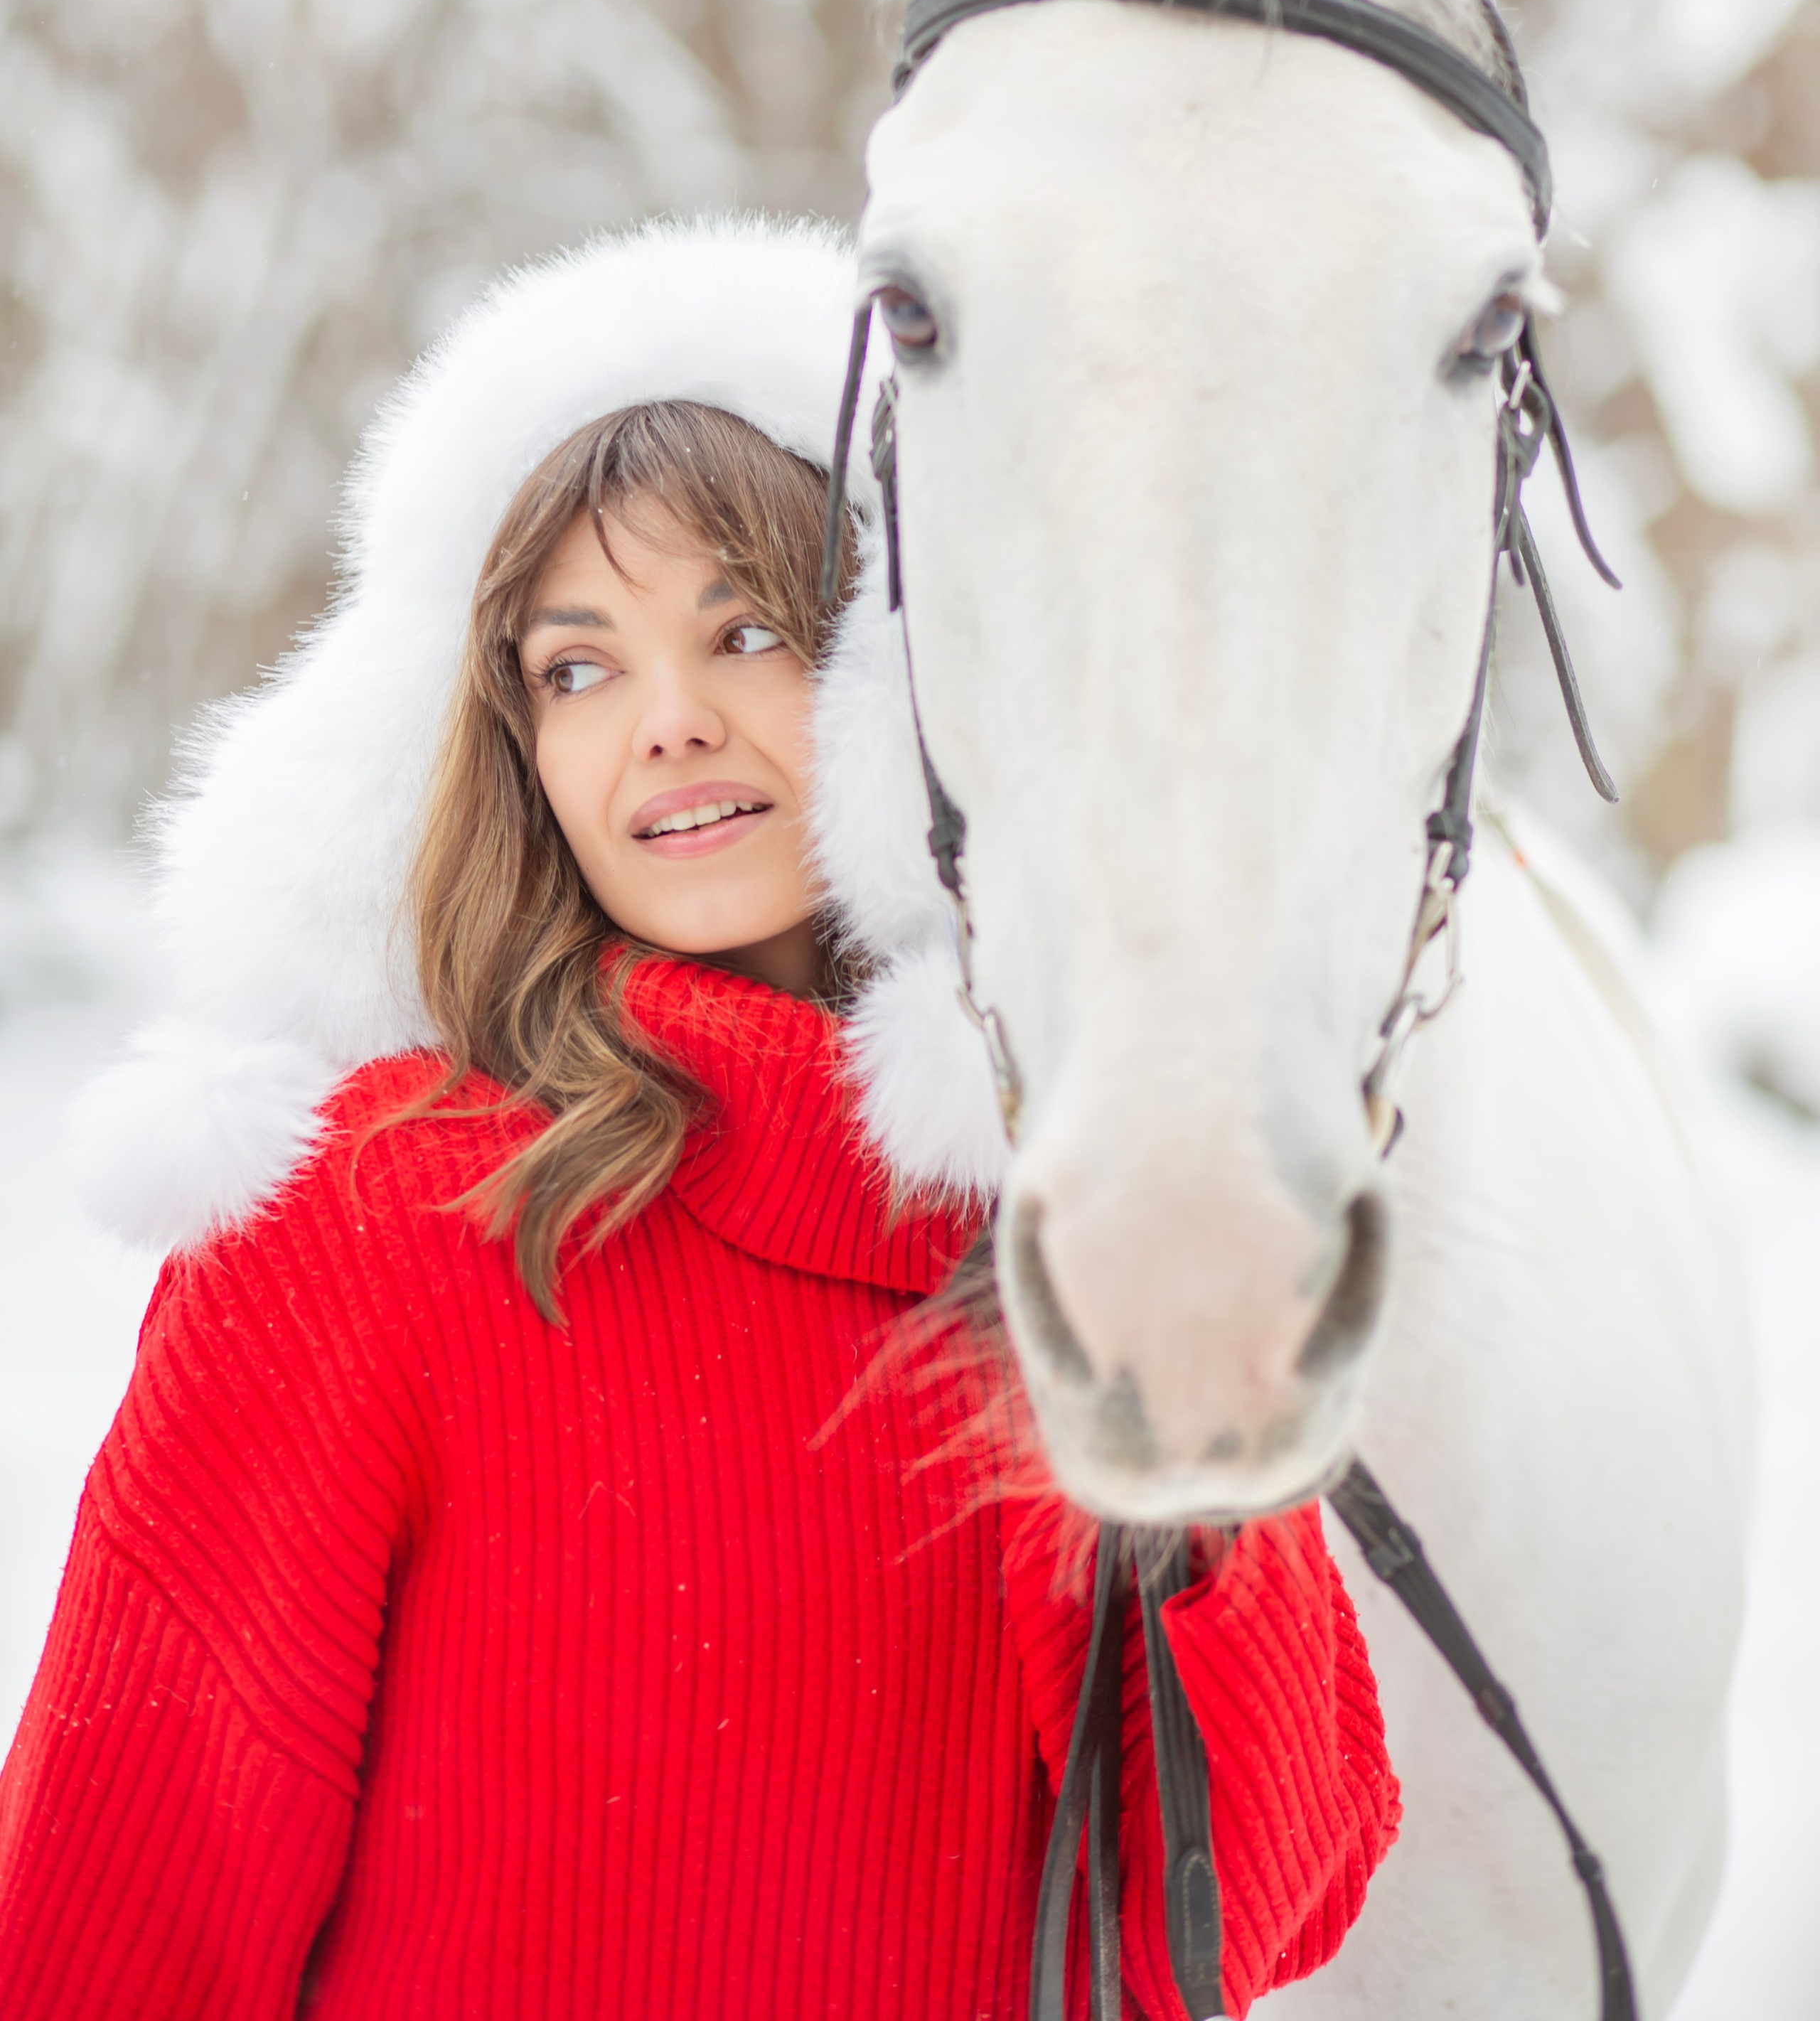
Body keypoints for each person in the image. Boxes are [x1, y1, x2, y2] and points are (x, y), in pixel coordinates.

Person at [0, 218, 1398, 2019]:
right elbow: (109, 1935)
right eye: (574, 666)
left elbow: (1251, 1903)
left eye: (744, 630)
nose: (664, 723)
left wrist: (1186, 1425)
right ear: (510, 747)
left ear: (901, 685)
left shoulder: (1047, 1258)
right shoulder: (364, 1220)